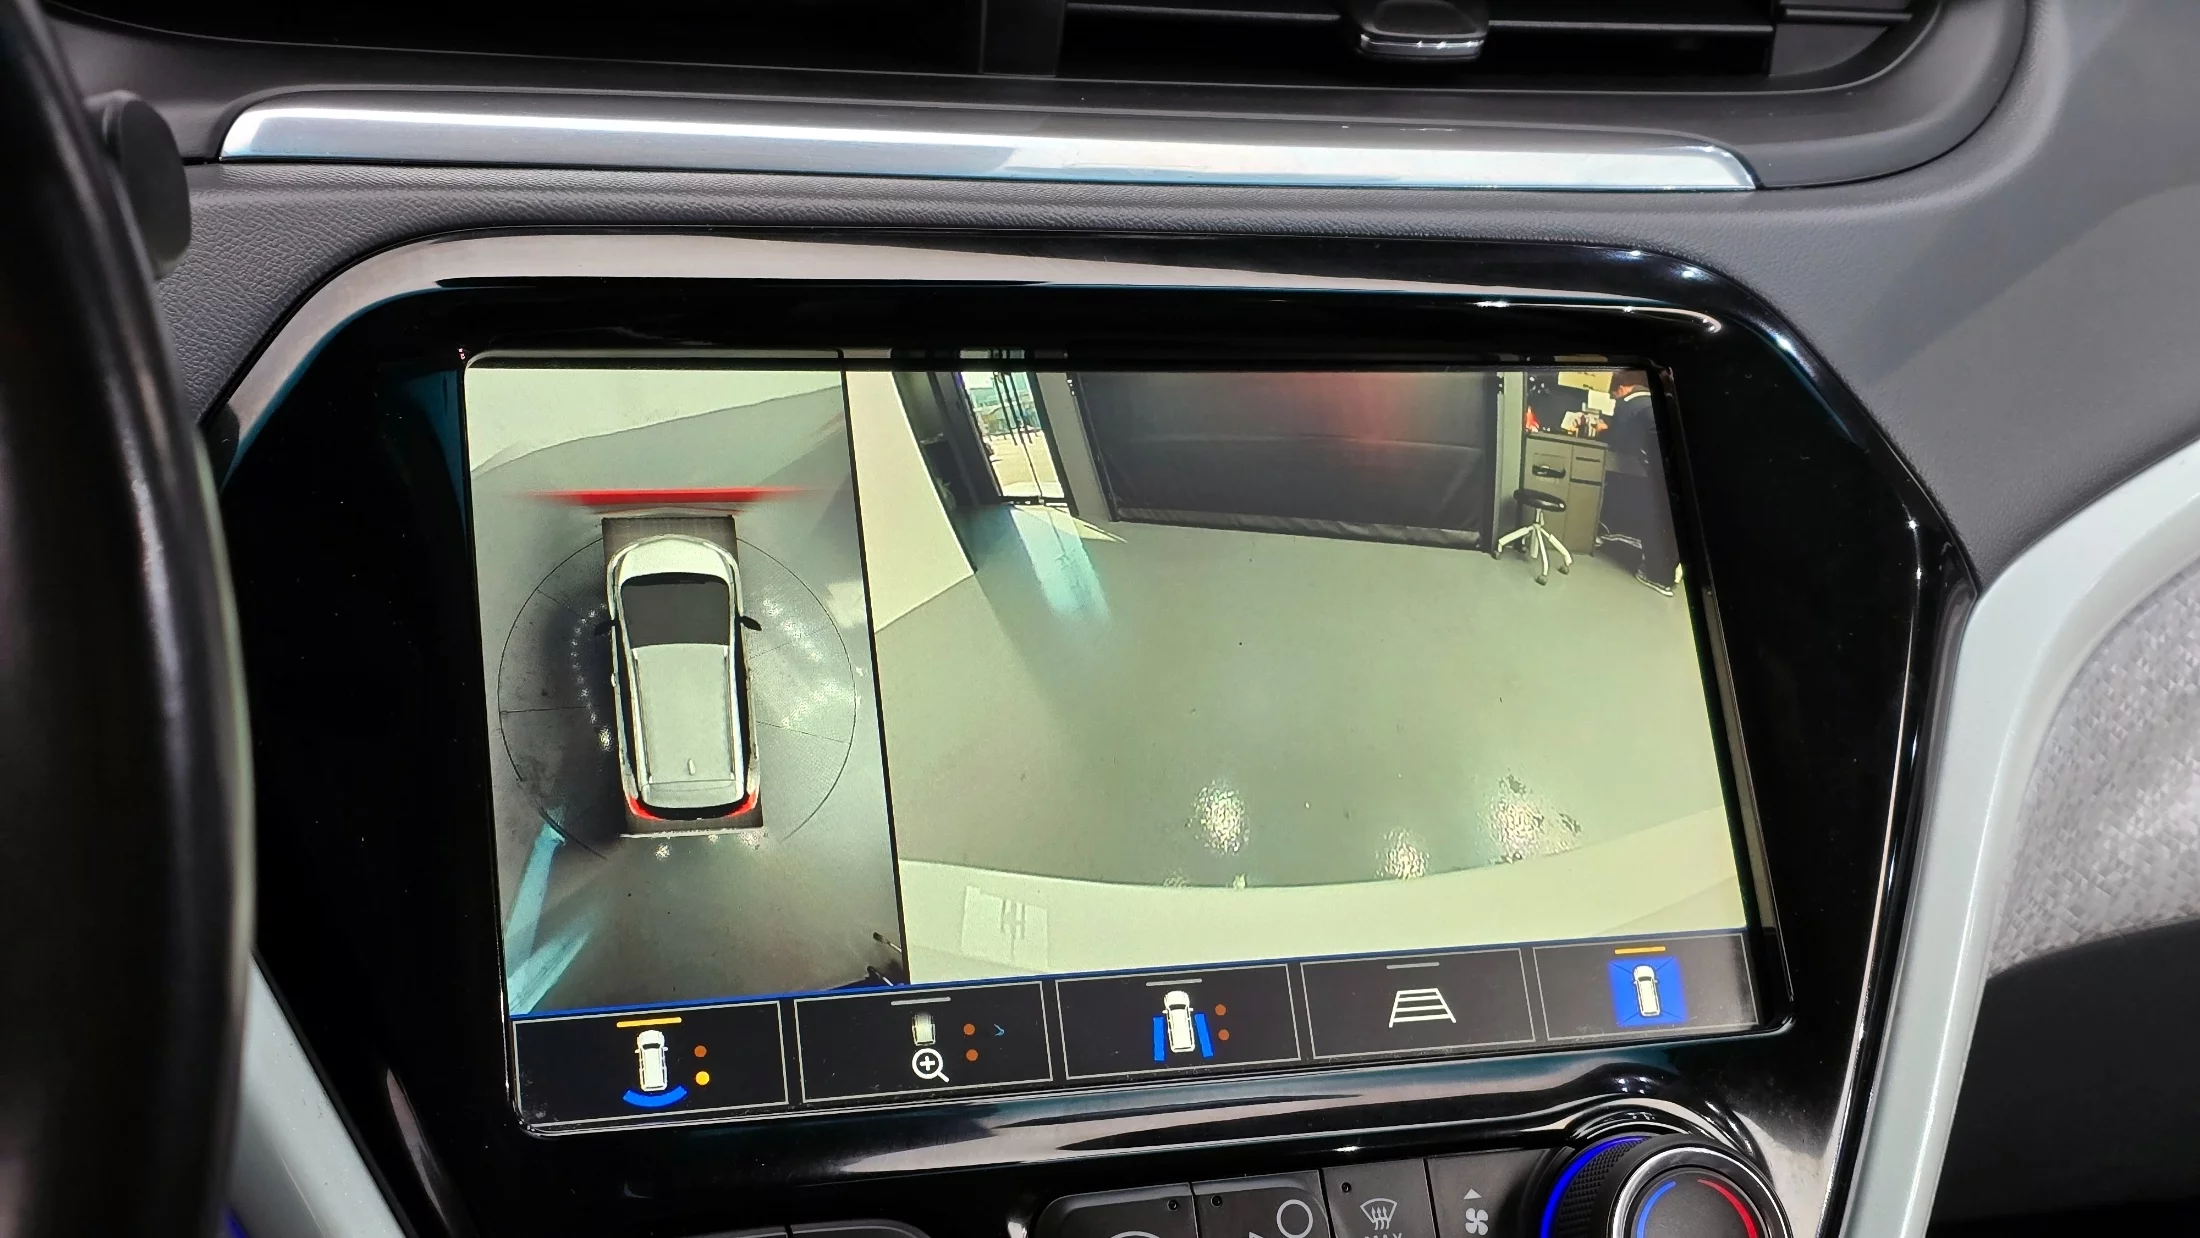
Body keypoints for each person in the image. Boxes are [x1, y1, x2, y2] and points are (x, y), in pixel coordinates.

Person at [1599, 376, 1682, 595]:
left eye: (1614, 396)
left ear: (1621, 389)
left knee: (1656, 517)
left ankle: (1658, 577)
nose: (1615, 400)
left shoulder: (1628, 404)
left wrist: (1602, 428)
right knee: (1672, 519)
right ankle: (1671, 569)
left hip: (1662, 470)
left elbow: (1618, 439)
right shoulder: (1654, 399)